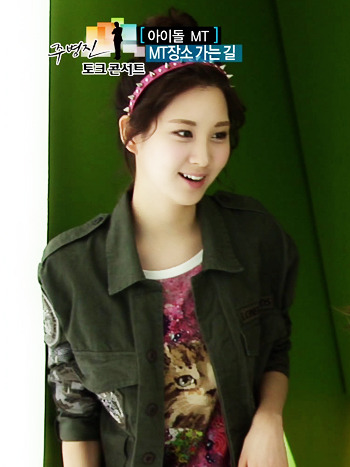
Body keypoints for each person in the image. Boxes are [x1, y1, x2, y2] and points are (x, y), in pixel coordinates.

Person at [40, 10, 296, 467]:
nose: (203, 157)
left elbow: (276, 343)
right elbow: (74, 409)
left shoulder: (256, 236)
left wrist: (269, 418)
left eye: (219, 135)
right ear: (131, 134)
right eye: (183, 133)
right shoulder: (71, 268)